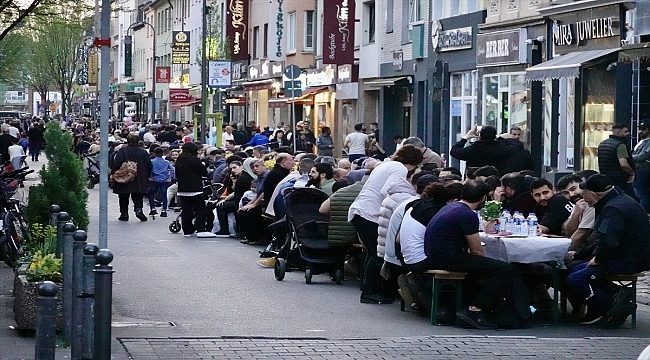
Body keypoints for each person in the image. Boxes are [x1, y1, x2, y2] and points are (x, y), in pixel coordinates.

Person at [423, 180, 514, 330]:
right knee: (504, 269)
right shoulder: (467, 214)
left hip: (435, 255)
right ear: (483, 198)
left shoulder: (452, 207)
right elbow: (477, 250)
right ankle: (475, 309)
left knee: (486, 267)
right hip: (448, 258)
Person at [566, 174, 650, 325]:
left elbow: (607, 241)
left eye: (584, 194)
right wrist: (581, 255)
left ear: (593, 193)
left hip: (626, 260)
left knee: (576, 278)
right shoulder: (617, 200)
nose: (582, 198)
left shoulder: (613, 209)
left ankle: (606, 306)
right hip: (626, 256)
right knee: (574, 268)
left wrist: (598, 259)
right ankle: (616, 294)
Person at [348, 144, 423, 304]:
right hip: (369, 212)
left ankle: (368, 287)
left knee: (371, 252)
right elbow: (387, 190)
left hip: (361, 210)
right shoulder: (399, 169)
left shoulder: (386, 164)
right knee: (377, 253)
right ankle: (370, 291)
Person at [174, 142, 214, 238]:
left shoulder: (180, 160)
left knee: (186, 210)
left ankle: (187, 230)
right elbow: (203, 172)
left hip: (182, 189)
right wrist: (203, 164)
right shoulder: (194, 159)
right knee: (200, 209)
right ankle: (201, 229)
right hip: (195, 188)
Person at [110, 134, 153, 222]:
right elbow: (148, 164)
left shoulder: (123, 151)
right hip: (138, 177)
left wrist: (115, 173)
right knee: (137, 195)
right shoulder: (142, 151)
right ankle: (138, 209)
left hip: (124, 176)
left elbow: (116, 163)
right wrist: (146, 176)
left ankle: (124, 213)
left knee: (123, 196)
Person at [556, 171, 598, 252]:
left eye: (573, 189)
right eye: (566, 193)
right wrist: (576, 213)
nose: (571, 194)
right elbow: (569, 232)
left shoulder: (591, 203)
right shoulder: (578, 203)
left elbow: (580, 235)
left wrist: (562, 253)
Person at [450, 125, 517, 174]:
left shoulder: (472, 150)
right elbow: (516, 146)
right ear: (494, 136)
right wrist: (499, 138)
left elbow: (454, 151)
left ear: (479, 136)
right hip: (497, 180)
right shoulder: (502, 149)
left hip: (475, 180)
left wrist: (465, 138)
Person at [597, 123, 636, 198]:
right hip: (620, 180)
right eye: (626, 131)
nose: (628, 133)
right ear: (618, 133)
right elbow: (623, 164)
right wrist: (632, 173)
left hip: (607, 179)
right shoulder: (620, 145)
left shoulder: (602, 143)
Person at [215, 160, 253, 236]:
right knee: (221, 203)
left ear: (241, 167)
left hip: (242, 201)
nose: (233, 170)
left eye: (235, 168)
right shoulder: (240, 177)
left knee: (221, 206)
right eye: (231, 169)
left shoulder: (244, 178)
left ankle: (224, 230)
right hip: (239, 199)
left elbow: (238, 192)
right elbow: (235, 191)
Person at [147, 147, 175, 217]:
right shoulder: (166, 162)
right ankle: (164, 210)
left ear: (154, 154)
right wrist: (170, 177)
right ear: (162, 154)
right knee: (164, 195)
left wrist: (150, 177)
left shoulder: (152, 162)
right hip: (164, 180)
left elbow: (149, 169)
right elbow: (172, 170)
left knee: (151, 193)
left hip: (155, 180)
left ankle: (153, 209)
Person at [632, 119, 650, 213]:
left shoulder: (648, 142)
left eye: (643, 129)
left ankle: (643, 213)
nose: (640, 131)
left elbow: (643, 156)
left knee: (641, 193)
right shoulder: (642, 141)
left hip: (643, 170)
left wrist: (628, 157)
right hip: (638, 169)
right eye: (640, 129)